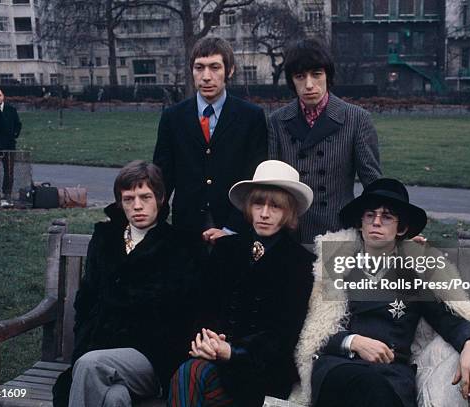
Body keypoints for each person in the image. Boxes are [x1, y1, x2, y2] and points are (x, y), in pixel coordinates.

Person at [290, 178, 470, 407]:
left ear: (402, 228)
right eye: (370, 215)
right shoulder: (336, 267)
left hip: (390, 379)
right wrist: (353, 342)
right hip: (338, 368)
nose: (376, 222)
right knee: (359, 381)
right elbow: (312, 332)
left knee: (376, 389)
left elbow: (450, 319)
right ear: (360, 222)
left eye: (386, 216)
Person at [169, 160, 315, 407]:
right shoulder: (227, 248)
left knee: (193, 379)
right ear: (249, 207)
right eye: (259, 203)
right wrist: (207, 342)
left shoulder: (299, 263)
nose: (265, 213)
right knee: (190, 372)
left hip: (261, 373)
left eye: (275, 206)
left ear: (288, 212)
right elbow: (203, 306)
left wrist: (233, 352)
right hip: (213, 361)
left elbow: (283, 335)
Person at [52, 160, 198, 407]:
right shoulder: (105, 239)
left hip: (150, 357)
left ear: (160, 198)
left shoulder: (179, 245)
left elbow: (180, 311)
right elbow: (86, 299)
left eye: (145, 197)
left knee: (89, 365)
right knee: (114, 398)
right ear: (120, 202)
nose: (137, 206)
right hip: (100, 350)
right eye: (129, 199)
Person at [153, 36, 267, 243]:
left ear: (229, 71)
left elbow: (254, 179)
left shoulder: (251, 117)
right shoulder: (173, 117)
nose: (206, 76)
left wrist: (232, 228)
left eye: (215, 67)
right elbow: (162, 178)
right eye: (199, 68)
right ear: (192, 71)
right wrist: (156, 223)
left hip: (235, 227)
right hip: (186, 228)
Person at [268, 38, 382, 244]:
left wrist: (391, 226)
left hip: (338, 233)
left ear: (328, 76)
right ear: (292, 81)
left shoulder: (357, 119)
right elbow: (271, 186)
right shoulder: (277, 122)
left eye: (317, 74)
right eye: (300, 76)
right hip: (290, 233)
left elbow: (373, 182)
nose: (309, 84)